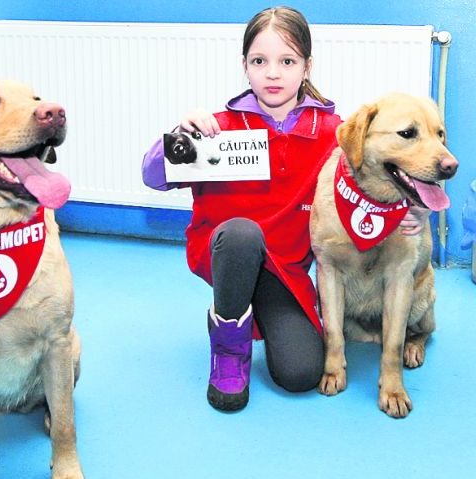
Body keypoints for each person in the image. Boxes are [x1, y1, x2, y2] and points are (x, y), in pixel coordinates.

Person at [142, 6, 429, 411]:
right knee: (241, 233)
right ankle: (228, 342)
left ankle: (260, 313)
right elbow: (152, 176)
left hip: (284, 273)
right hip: (229, 254)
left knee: (300, 374)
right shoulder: (217, 127)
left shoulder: (334, 133)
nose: (273, 73)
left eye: (287, 61)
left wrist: (412, 206)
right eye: (260, 61)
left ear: (307, 67)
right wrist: (178, 135)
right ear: (245, 66)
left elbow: (374, 178)